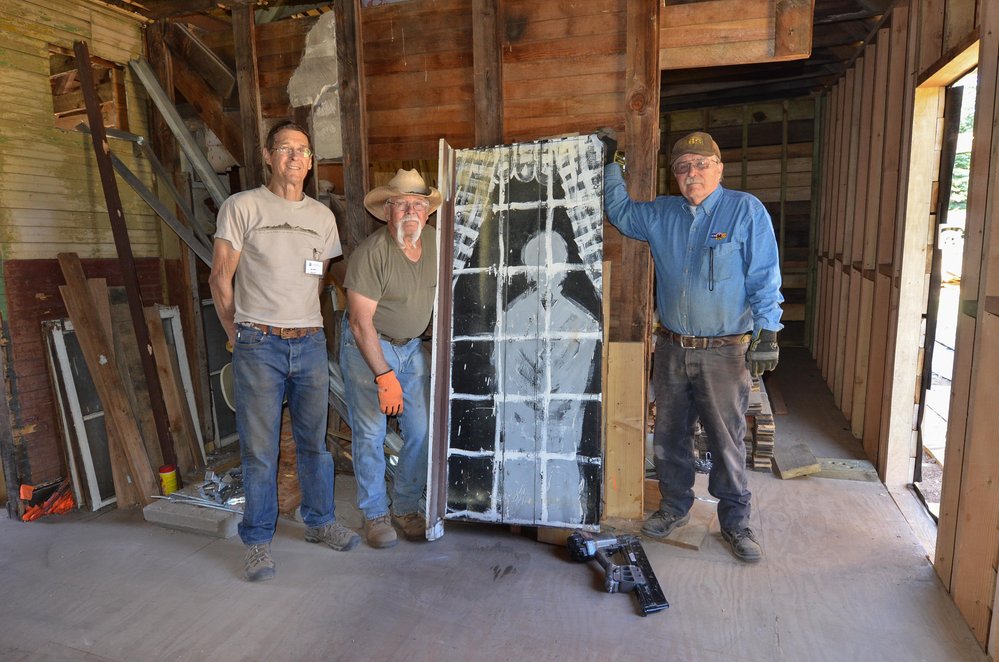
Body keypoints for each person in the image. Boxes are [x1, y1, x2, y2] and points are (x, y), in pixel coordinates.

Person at [600, 130, 782, 562]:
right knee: (669, 433)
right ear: (675, 176)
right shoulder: (663, 214)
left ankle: (736, 522)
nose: (691, 173)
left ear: (719, 169)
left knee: (727, 439)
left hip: (725, 350)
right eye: (683, 167)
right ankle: (674, 507)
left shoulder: (745, 211)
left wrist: (768, 332)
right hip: (672, 348)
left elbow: (763, 275)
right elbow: (621, 213)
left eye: (701, 165)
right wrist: (611, 165)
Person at [210, 120, 360, 582]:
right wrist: (236, 331)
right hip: (260, 343)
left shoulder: (322, 217)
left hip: (310, 342)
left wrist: (304, 322)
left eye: (303, 150)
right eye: (286, 149)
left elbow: (317, 277)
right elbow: (220, 277)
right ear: (269, 156)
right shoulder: (243, 206)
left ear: (311, 162)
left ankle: (319, 521)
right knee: (260, 451)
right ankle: (257, 542)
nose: (295, 157)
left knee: (315, 444)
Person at [339, 169, 440, 548]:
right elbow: (360, 322)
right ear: (387, 211)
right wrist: (384, 375)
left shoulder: (434, 243)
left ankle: (406, 507)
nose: (411, 212)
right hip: (370, 348)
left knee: (421, 430)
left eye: (418, 205)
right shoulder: (371, 254)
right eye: (402, 206)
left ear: (427, 213)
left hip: (412, 347)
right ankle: (375, 513)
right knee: (370, 432)